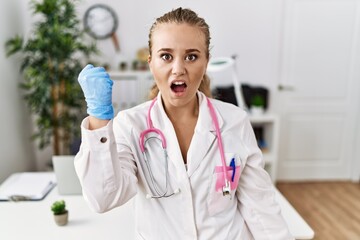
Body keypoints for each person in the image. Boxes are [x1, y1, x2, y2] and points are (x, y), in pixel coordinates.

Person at [75, 7, 294, 240]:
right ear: (151, 63)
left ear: (206, 61)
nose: (178, 69)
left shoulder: (234, 121)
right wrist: (99, 119)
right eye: (166, 56)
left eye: (191, 56)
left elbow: (260, 208)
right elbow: (104, 199)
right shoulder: (131, 125)